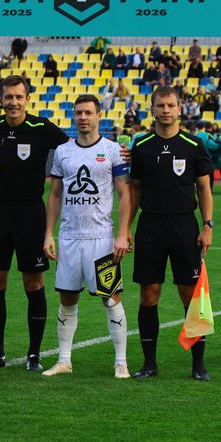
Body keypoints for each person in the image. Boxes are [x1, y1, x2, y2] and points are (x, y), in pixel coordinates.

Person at [0, 75, 70, 372]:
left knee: (33, 282)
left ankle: (34, 355)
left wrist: (114, 152)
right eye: (8, 97)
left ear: (27, 99)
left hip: (31, 214)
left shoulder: (42, 128)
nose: (13, 102)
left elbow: (74, 149)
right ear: (1, 99)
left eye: (18, 97)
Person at [127, 86, 214, 381]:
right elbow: (135, 189)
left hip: (184, 226)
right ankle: (149, 363)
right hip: (150, 226)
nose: (166, 110)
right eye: (160, 105)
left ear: (180, 109)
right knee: (149, 292)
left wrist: (207, 225)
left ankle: (198, 365)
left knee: (190, 294)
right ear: (152, 109)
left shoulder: (194, 144)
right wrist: (126, 228)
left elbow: (204, 188)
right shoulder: (141, 146)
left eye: (171, 105)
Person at [42, 95, 132, 379]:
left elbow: (125, 193)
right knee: (67, 298)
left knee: (110, 298)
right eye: (79, 112)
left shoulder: (113, 150)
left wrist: (122, 233)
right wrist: (49, 233)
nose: (83, 117)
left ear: (99, 116)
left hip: (101, 238)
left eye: (88, 113)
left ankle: (121, 362)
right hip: (69, 237)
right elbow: (55, 195)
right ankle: (64, 360)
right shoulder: (62, 152)